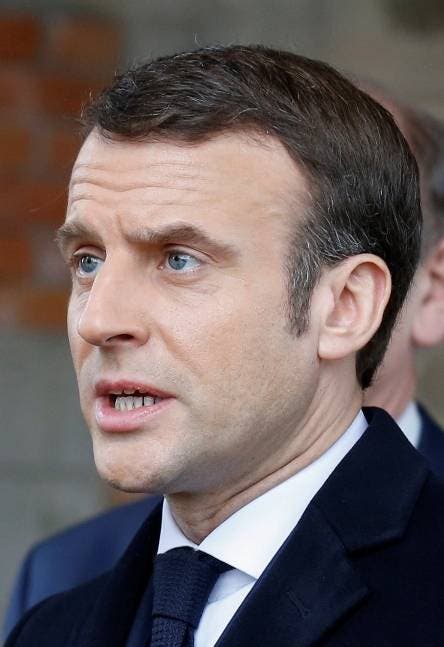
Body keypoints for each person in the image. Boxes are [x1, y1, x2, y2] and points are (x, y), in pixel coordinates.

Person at [5, 45, 444, 646]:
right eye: (89, 261)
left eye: (178, 260)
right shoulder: (49, 630)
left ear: (345, 307)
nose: (97, 320)